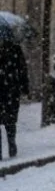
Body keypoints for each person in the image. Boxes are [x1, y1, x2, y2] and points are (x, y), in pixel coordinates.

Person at [0, 22, 29, 159]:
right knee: (9, 120)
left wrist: (24, 87)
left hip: (11, 89)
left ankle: (11, 144)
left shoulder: (15, 50)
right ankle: (6, 147)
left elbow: (22, 69)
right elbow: (22, 69)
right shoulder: (15, 49)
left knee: (10, 120)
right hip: (10, 88)